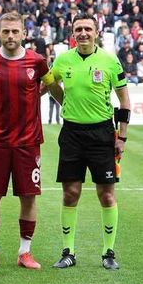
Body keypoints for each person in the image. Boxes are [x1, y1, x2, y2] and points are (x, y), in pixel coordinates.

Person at [45, 14, 131, 270]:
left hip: (102, 134)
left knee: (106, 195)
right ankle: (68, 251)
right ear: (72, 33)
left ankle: (108, 253)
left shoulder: (109, 61)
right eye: (78, 29)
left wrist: (122, 136)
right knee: (70, 193)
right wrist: (65, 102)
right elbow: (50, 84)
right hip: (71, 133)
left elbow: (124, 101)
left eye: (87, 29)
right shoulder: (63, 60)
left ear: (96, 32)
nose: (83, 33)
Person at [0, 11, 55, 270]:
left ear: (24, 33)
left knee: (29, 198)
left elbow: (49, 85)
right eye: (5, 31)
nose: (10, 36)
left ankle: (25, 252)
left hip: (28, 142)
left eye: (15, 31)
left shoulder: (37, 61)